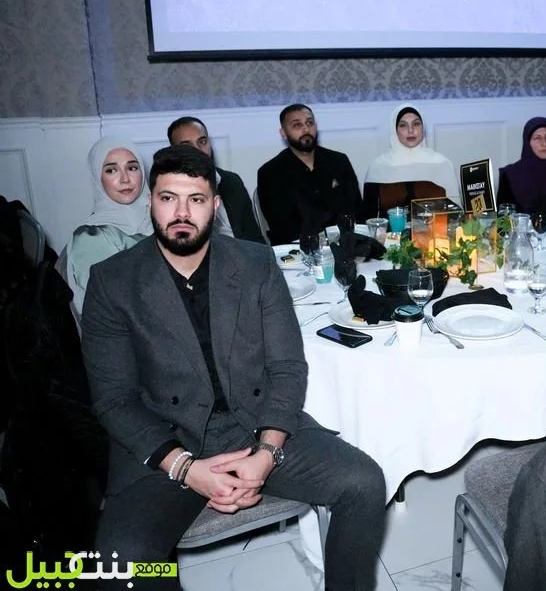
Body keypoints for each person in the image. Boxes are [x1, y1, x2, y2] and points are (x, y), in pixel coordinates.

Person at [81, 146, 386, 590]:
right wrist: (186, 469)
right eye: (168, 198)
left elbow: (286, 367)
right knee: (122, 566)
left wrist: (267, 453)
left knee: (364, 483)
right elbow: (114, 400)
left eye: (196, 199)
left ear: (216, 206)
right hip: (164, 442)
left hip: (254, 424)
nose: (181, 213)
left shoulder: (255, 263)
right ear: (151, 202)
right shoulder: (113, 281)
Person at [59, 136, 153, 318]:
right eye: (111, 170)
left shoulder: (158, 215)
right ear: (98, 177)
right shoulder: (91, 237)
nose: (125, 179)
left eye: (132, 168)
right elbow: (111, 309)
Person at [257, 103, 363, 245]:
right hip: (298, 248)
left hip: (345, 244)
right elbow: (281, 227)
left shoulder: (338, 162)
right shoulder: (270, 173)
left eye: (309, 123)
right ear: (283, 133)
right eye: (297, 125)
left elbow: (357, 210)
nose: (306, 129)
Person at [167, 116, 265, 243]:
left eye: (202, 142)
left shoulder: (231, 181)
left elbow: (253, 237)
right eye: (187, 146)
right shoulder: (170, 193)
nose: (198, 150)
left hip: (241, 251)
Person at [362, 104, 461, 218]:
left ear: (423, 127)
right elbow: (369, 218)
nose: (411, 130)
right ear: (395, 130)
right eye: (403, 125)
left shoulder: (442, 164)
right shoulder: (378, 168)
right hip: (389, 230)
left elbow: (456, 216)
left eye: (416, 124)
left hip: (436, 229)